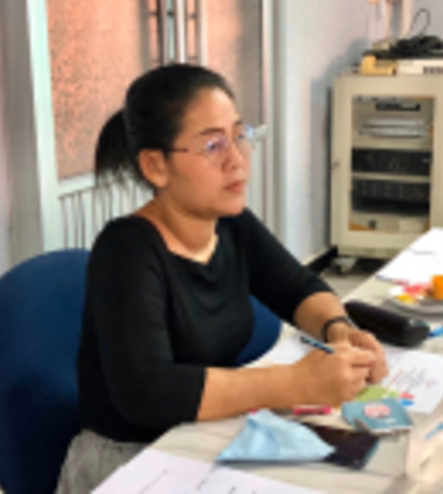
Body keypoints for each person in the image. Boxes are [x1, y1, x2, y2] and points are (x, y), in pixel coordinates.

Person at [56, 64, 388, 494]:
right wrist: (294, 383)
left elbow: (298, 288)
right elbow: (148, 392)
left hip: (206, 434)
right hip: (132, 459)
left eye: (238, 136)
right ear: (156, 166)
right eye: (213, 145)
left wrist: (339, 330)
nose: (237, 159)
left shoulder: (231, 225)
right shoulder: (126, 250)